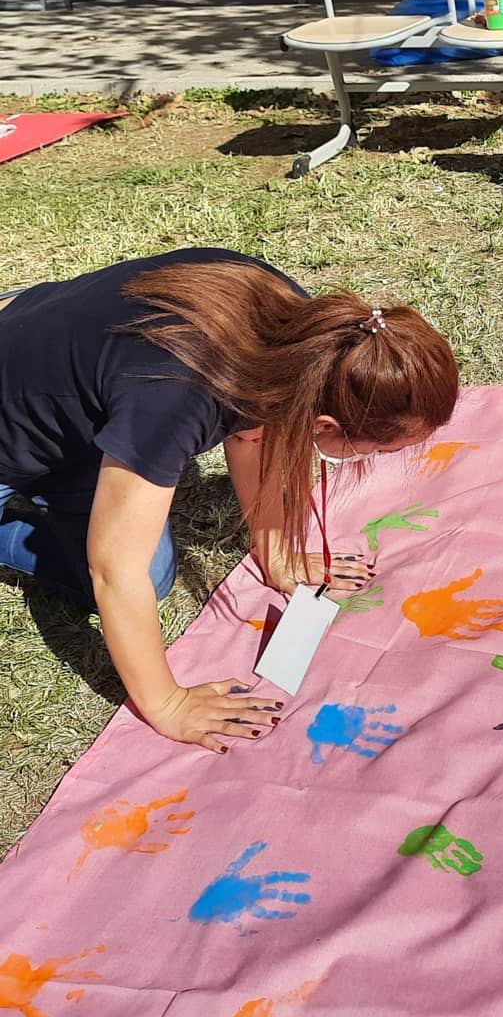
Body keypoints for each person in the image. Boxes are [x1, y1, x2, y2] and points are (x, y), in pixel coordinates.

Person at [0, 248, 459, 752]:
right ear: (325, 427)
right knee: (142, 577)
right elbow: (113, 569)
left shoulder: (318, 335)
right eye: (378, 449)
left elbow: (252, 433)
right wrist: (168, 703)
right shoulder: (175, 396)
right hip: (19, 423)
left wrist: (277, 552)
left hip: (34, 350)